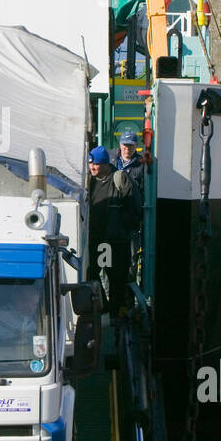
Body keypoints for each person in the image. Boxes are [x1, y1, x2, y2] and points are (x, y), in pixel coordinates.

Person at [88, 145, 141, 314]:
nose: (92, 168)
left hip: (114, 242)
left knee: (116, 278)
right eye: (90, 164)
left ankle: (116, 313)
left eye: (95, 164)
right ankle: (105, 307)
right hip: (97, 240)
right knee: (93, 274)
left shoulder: (119, 179)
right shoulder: (90, 182)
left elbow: (134, 208)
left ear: (105, 164)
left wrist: (120, 227)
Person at [115, 130, 144, 194]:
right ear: (120, 145)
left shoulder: (142, 164)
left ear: (136, 145)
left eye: (130, 145)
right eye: (125, 145)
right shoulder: (112, 161)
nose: (127, 148)